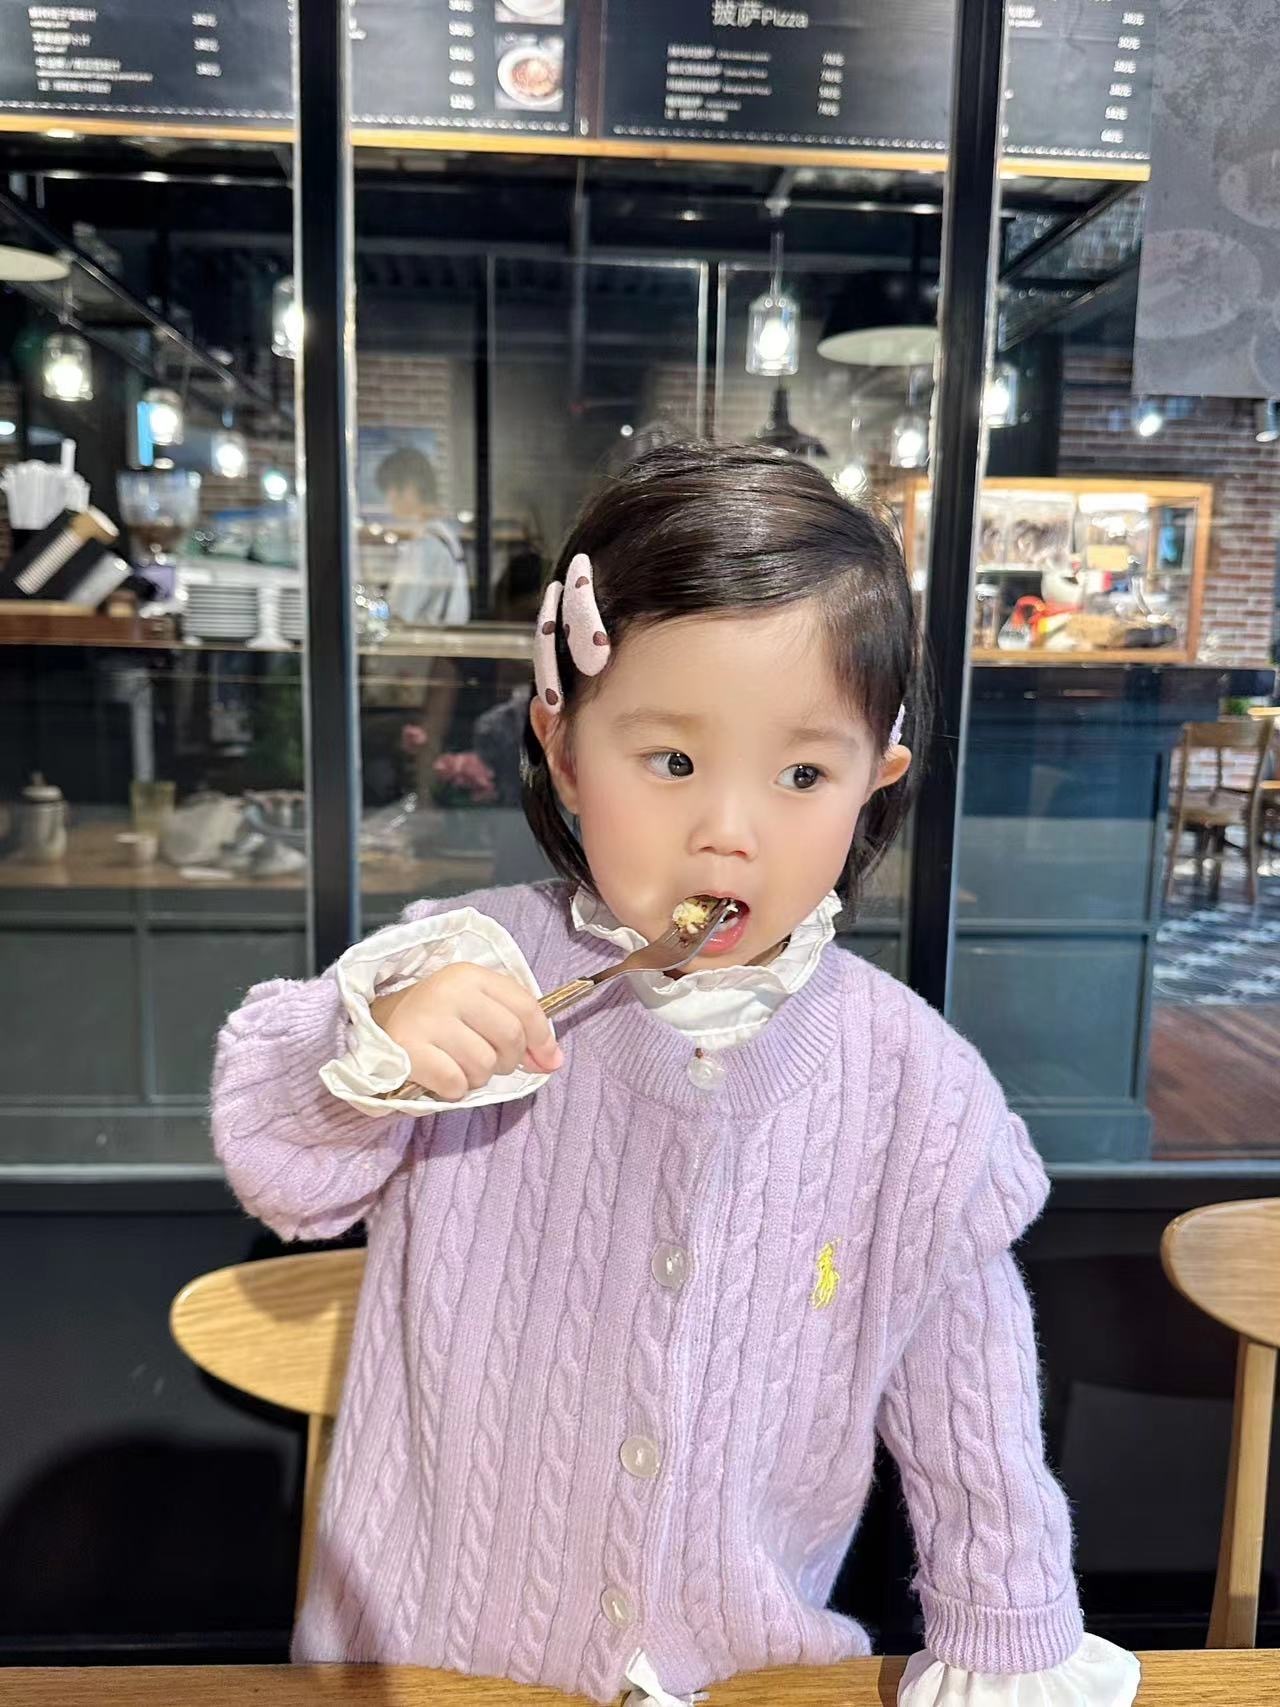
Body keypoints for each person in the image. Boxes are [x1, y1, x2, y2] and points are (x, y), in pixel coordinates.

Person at [212, 444, 1139, 1707]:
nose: (728, 831)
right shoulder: (467, 964)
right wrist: (364, 1043)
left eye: (802, 774)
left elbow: (967, 1409)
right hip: (423, 1665)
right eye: (671, 762)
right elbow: (282, 1171)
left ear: (874, 783)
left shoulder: (914, 1089)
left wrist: (1007, 1637)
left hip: (747, 1672)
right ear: (562, 747)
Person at [373, 445, 470, 629]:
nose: (388, 501)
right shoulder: (444, 533)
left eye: (389, 490)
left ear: (409, 489)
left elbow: (400, 611)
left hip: (422, 641)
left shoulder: (425, 544)